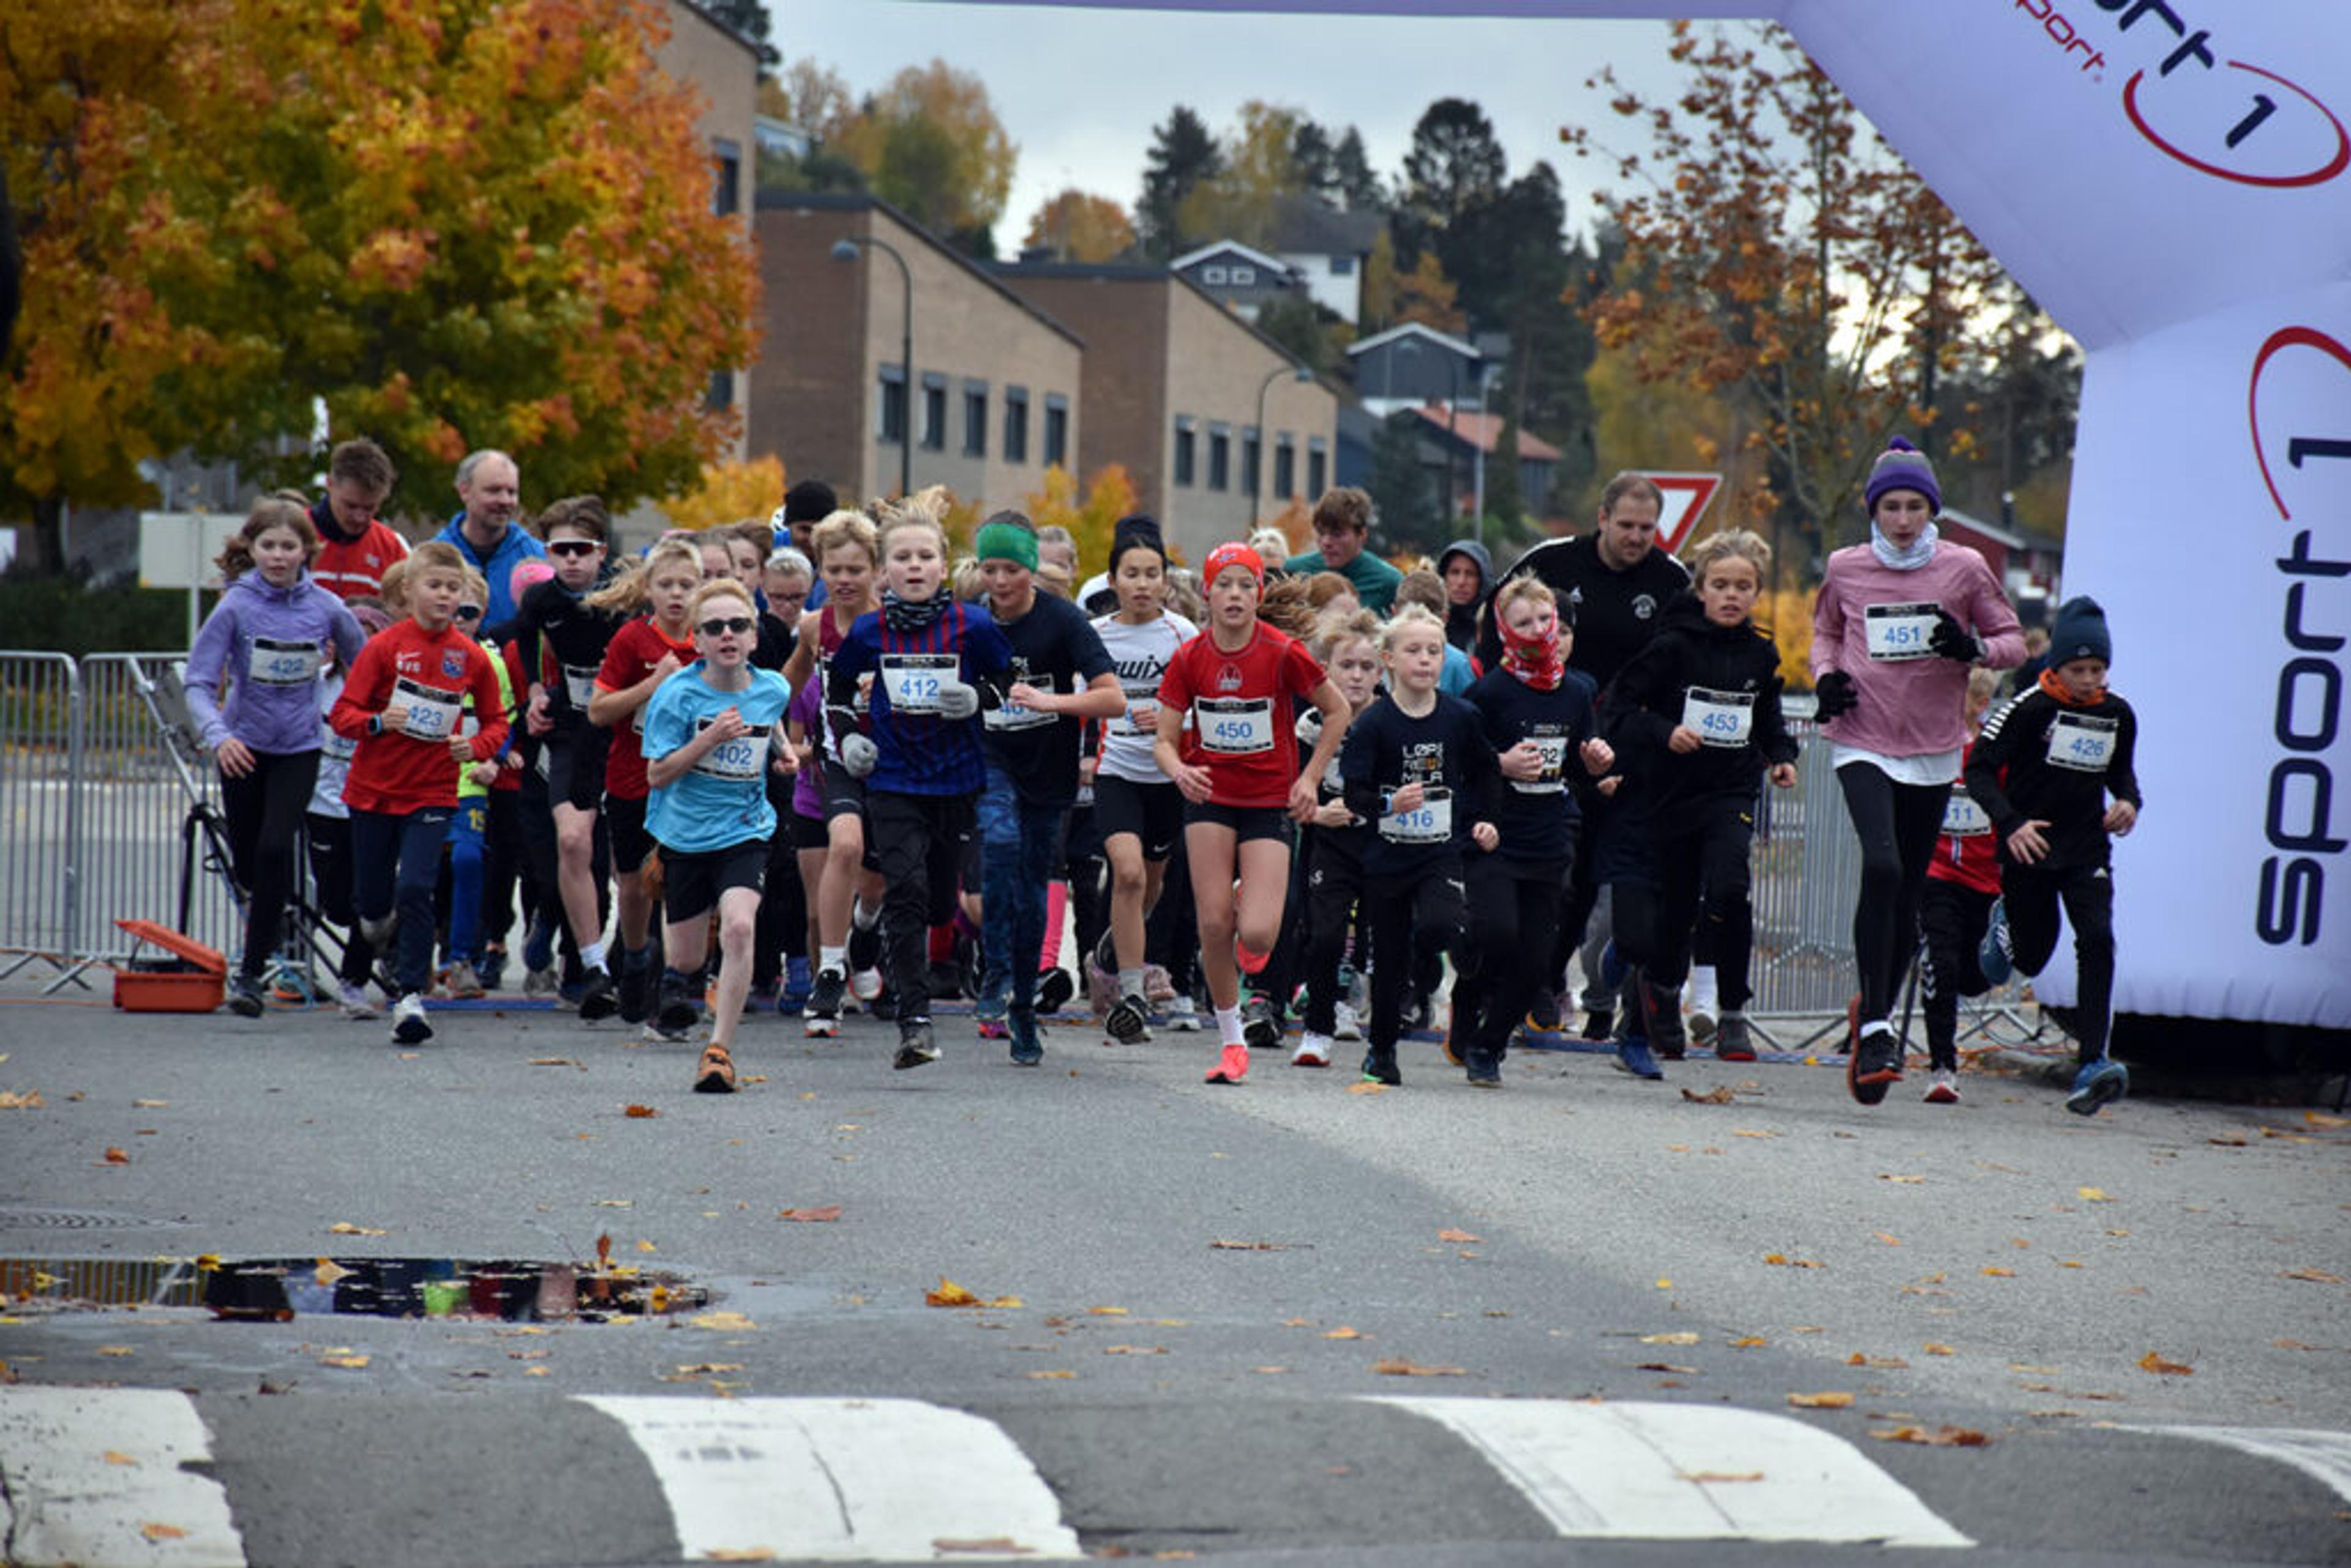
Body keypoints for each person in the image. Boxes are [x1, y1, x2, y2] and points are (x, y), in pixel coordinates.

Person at [1812, 437, 2025, 1103]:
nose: (1902, 520)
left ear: (1932, 509)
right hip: (1862, 738)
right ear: (1874, 510)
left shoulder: (1963, 568)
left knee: (1906, 886)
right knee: (1882, 866)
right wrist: (1825, 678)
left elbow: (2014, 641)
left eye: (1914, 506)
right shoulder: (1846, 566)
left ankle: (1871, 1011)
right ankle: (1878, 1023)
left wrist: (1973, 647)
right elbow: (1825, 632)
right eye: (1891, 507)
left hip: (1933, 746)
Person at [1476, 474, 1692, 1040]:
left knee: (1602, 881)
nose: (1636, 537)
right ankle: (1533, 983)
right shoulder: (1553, 560)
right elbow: (1495, 622)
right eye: (1626, 525)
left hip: (1628, 751)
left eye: (1647, 528)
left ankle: (1601, 993)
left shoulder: (1671, 580)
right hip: (1546, 737)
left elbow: (1687, 657)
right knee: (1560, 878)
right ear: (1602, 518)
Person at [1153, 542, 1352, 1084]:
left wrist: (1309, 779)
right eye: (1225, 585)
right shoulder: (1190, 657)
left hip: (1268, 800)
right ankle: (1231, 1040)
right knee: (1213, 924)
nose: (1235, 595)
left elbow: (1337, 711)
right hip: (1210, 797)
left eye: (1246, 585)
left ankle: (1248, 899)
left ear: (1259, 594)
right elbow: (1164, 740)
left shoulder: (1282, 651)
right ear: (1208, 594)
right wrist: (1180, 772)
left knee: (1259, 936)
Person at [826, 500, 1012, 1070]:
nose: (914, 566)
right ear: (885, 570)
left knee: (939, 905)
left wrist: (979, 697)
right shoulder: (868, 629)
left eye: (925, 556)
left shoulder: (973, 625)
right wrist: (850, 738)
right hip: (894, 779)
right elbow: (837, 691)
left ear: (942, 565)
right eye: (902, 557)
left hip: (959, 781)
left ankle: (866, 934)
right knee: (905, 892)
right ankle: (915, 1021)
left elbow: (1007, 678)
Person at [1603, 530, 1799, 1068]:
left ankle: (1733, 1012)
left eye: (1743, 586)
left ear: (1757, 592)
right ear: (1702, 589)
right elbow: (1621, 707)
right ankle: (1664, 991)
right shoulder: (1672, 646)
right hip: (1671, 793)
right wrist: (1665, 731)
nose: (1732, 595)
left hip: (1731, 790)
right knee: (1677, 904)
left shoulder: (1761, 653)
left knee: (1731, 888)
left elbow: (1767, 719)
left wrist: (1782, 755)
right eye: (1721, 585)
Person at [184, 493, 366, 1016]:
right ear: (252, 548)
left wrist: (359, 716)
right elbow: (199, 682)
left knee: (273, 850)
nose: (279, 556)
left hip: (299, 749)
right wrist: (221, 735)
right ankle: (268, 911)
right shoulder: (235, 606)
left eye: (289, 546)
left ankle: (251, 975)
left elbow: (366, 666)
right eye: (269, 545)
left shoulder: (327, 607)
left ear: (307, 551)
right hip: (242, 749)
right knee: (250, 864)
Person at [1963, 596, 2140, 1116]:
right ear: (2056, 665)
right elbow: (1978, 770)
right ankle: (2004, 924)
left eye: (2098, 670)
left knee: (2098, 939)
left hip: (2086, 847)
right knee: (2031, 956)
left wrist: (2128, 802)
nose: (2088, 680)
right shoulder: (2028, 709)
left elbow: (2122, 773)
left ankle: (2092, 1061)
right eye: (2078, 670)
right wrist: (2011, 823)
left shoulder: (2117, 713)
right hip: (2031, 845)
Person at [328, 541, 509, 1045]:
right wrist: (379, 721)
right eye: (435, 586)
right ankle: (374, 923)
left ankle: (410, 997)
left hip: (433, 792)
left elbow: (496, 722)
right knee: (370, 903)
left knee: (415, 888)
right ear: (409, 591)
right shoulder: (384, 648)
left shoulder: (470, 656)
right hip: (374, 792)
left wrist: (475, 747)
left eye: (454, 588)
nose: (445, 596)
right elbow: (343, 714)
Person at [970, 514, 1123, 1065]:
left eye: (1011, 569)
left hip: (1049, 767)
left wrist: (1052, 702)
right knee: (1000, 842)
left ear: (1031, 568)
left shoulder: (1062, 620)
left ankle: (1024, 1008)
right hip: (990, 758)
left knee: (1034, 884)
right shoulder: (971, 619)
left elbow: (1113, 699)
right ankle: (996, 970)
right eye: (990, 568)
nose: (1000, 581)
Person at [640, 579, 797, 1094]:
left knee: (740, 927)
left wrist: (782, 752)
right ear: (698, 640)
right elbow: (657, 774)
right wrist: (709, 738)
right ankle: (677, 975)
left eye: (738, 625)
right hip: (685, 834)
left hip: (745, 828)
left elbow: (769, 722)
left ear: (753, 637)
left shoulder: (773, 687)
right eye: (714, 627)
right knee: (686, 959)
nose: (727, 634)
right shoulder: (677, 695)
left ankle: (719, 1051)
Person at [1453, 579, 1610, 1084]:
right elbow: (1461, 763)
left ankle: (1489, 1045)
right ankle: (1468, 994)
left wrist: (1595, 759)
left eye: (1546, 620)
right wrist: (1499, 762)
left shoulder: (1577, 691)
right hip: (1495, 833)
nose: (1539, 631)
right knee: (1496, 933)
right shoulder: (1489, 693)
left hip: (1548, 835)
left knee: (1535, 959)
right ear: (1504, 632)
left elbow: (1577, 760)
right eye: (1524, 623)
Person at [1337, 605, 1499, 1086]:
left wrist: (1487, 819)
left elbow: (1488, 770)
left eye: (1434, 650)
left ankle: (1433, 953)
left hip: (1439, 851)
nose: (1426, 659)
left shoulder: (1461, 716)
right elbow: (1354, 794)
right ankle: (1381, 1051)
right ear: (1388, 659)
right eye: (1414, 650)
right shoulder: (1374, 724)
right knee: (1388, 962)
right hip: (1386, 857)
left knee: (1441, 923)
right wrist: (1389, 802)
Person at [586, 538, 707, 1029]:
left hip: (690, 784)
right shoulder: (632, 640)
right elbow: (598, 711)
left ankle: (675, 980)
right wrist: (652, 686)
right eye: (666, 584)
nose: (677, 594)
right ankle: (635, 958)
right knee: (635, 887)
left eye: (687, 585)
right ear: (648, 589)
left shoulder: (710, 639)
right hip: (632, 781)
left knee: (678, 880)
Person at [509, 497, 623, 1011]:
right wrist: (536, 689)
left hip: (621, 731)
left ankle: (608, 963)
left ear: (601, 552)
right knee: (573, 842)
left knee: (614, 861)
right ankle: (588, 963)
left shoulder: (622, 596)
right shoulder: (541, 598)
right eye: (560, 550)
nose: (572, 559)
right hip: (572, 728)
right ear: (547, 553)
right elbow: (524, 635)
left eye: (582, 549)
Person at [1090, 520, 1197, 1047]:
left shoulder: (1184, 634)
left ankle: (1115, 943)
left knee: (1151, 885)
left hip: (1167, 775)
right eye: (1131, 574)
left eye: (1152, 574)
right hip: (1116, 771)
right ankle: (1131, 994)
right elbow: (1082, 695)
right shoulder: (1096, 634)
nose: (1142, 584)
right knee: (1128, 873)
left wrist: (1175, 719)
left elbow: (1206, 704)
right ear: (1113, 580)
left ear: (1166, 581)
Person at [781, 511, 887, 1037]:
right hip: (835, 758)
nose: (844, 580)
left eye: (855, 569)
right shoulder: (812, 626)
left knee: (877, 882)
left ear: (876, 571)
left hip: (893, 761)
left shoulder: (895, 624)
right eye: (834, 569)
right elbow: (789, 681)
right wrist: (753, 707)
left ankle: (864, 936)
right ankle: (830, 972)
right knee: (844, 847)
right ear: (820, 570)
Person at [1284, 608, 1385, 1066]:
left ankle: (1367, 1013)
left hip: (1382, 841)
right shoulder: (1310, 723)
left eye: (1366, 666)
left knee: (1376, 936)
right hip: (1329, 840)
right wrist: (1317, 813)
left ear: (1382, 671)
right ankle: (1317, 1027)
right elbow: (1288, 785)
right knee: (1325, 935)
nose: (1357, 676)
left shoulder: (1393, 720)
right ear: (1326, 670)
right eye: (1347, 666)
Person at [1916, 667, 2004, 1104]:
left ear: (1980, 704)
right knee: (1942, 965)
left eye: (1958, 698)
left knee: (1974, 977)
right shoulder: (1926, 747)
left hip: (1984, 879)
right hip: (1936, 876)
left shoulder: (1994, 755)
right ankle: (1943, 1066)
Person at [439, 568, 521, 999]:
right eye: (452, 611)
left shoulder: (491, 661)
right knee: (420, 873)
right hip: (418, 781)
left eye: (468, 612)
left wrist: (493, 757)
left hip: (470, 781)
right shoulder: (412, 653)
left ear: (483, 614)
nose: (459, 620)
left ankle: (461, 958)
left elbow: (504, 718)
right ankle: (404, 949)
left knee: (469, 860)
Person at [435, 449, 546, 629]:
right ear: (464, 491)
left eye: (512, 492)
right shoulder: (434, 557)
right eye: (494, 491)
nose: (505, 500)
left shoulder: (538, 558)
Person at [307, 438, 410, 602]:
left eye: (370, 508)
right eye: (351, 506)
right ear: (330, 484)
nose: (360, 518)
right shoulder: (293, 536)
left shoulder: (392, 547)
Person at [1284, 487, 1403, 614]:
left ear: (1362, 535)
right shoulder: (1293, 573)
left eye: (1337, 535)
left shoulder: (1389, 582)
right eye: (1321, 533)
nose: (1326, 542)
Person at [1436, 539, 1493, 655]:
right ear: (1444, 577)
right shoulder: (1428, 624)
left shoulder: (1493, 628)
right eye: (1455, 572)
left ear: (1482, 580)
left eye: (1470, 574)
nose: (1461, 582)